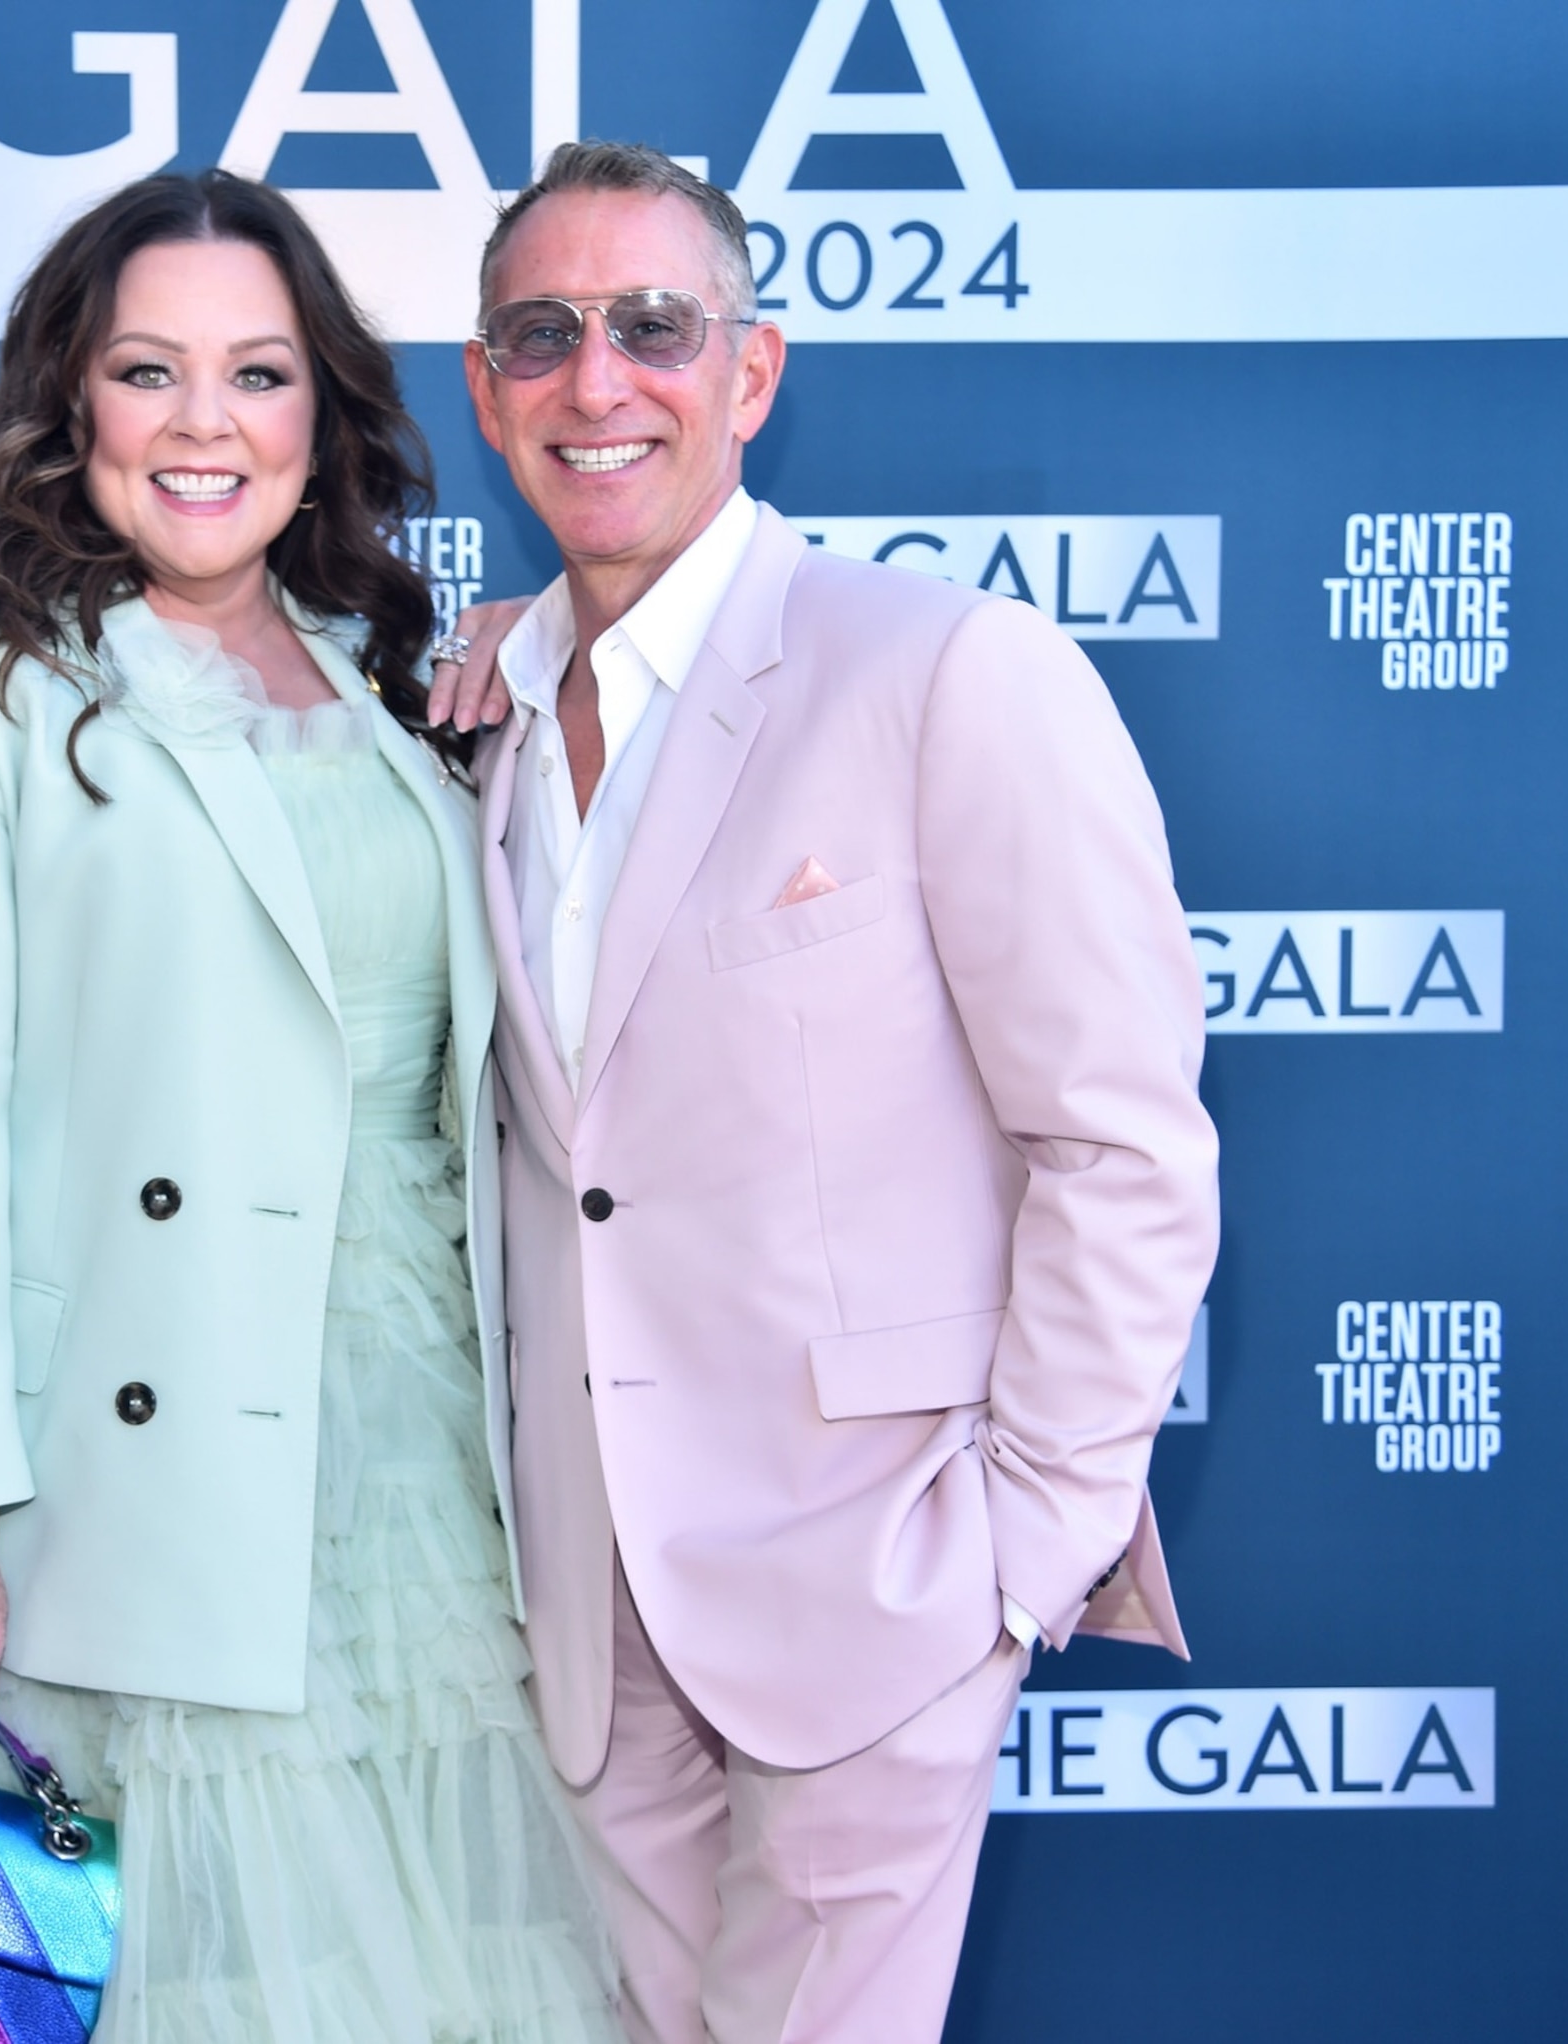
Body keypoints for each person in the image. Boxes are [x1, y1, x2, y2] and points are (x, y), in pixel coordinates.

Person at [0, 169, 619, 2044]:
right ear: (74, 414)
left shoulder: (395, 687)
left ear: (325, 414)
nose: (206, 423)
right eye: (150, 372)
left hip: (394, 1480)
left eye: (258, 373)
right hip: (82, 1480)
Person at [441, 142, 1219, 2044]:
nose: (596, 381)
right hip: (583, 1609)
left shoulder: (949, 670)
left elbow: (1121, 1143)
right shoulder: (475, 716)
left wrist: (1021, 1545)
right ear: (483, 389)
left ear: (753, 372)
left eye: (653, 328)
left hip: (878, 1579)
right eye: (542, 336)